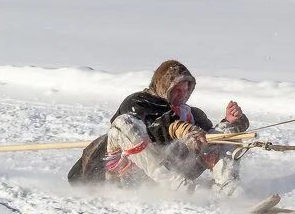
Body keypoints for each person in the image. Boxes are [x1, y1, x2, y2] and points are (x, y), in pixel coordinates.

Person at [68, 60, 250, 196]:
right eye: (177, 90)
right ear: (164, 86)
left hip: (175, 174)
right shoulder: (138, 102)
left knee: (224, 133)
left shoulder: (191, 114)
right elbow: (156, 126)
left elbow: (211, 138)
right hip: (124, 178)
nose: (183, 95)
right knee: (123, 123)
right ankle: (176, 185)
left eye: (187, 90)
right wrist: (180, 128)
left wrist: (231, 121)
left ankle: (228, 189)